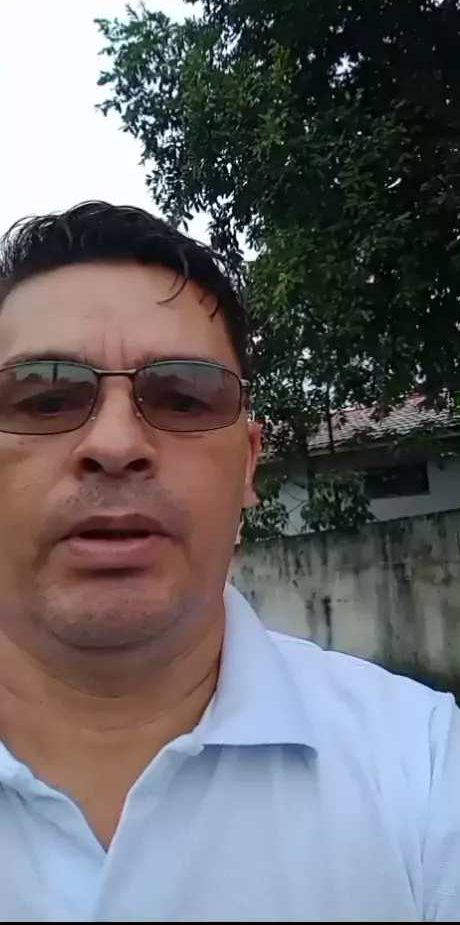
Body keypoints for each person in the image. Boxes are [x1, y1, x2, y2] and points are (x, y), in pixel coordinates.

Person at [0, 201, 456, 924]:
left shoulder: (426, 764)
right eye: (47, 396)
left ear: (247, 464)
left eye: (183, 398)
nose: (115, 444)